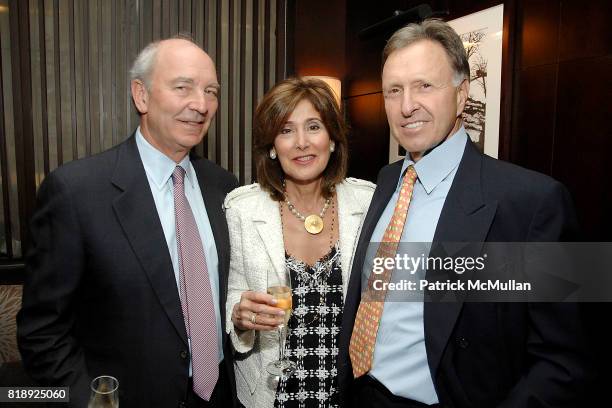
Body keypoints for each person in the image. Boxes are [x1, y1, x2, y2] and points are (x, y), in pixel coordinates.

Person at [337, 19, 589, 407]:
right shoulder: (387, 181)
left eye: (425, 86)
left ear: (461, 93)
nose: (407, 106)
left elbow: (562, 360)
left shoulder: (532, 203)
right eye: (394, 91)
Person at [17, 37, 238, 407]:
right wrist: (92, 401)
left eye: (211, 91)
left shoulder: (224, 187)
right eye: (183, 87)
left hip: (219, 396)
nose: (200, 105)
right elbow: (43, 332)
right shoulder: (76, 192)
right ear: (141, 95)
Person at [224, 77, 375, 407]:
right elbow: (234, 293)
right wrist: (238, 316)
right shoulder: (242, 209)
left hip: (348, 393)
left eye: (314, 127)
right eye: (286, 130)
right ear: (272, 147)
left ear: (333, 139)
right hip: (271, 393)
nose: (302, 142)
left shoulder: (369, 203)